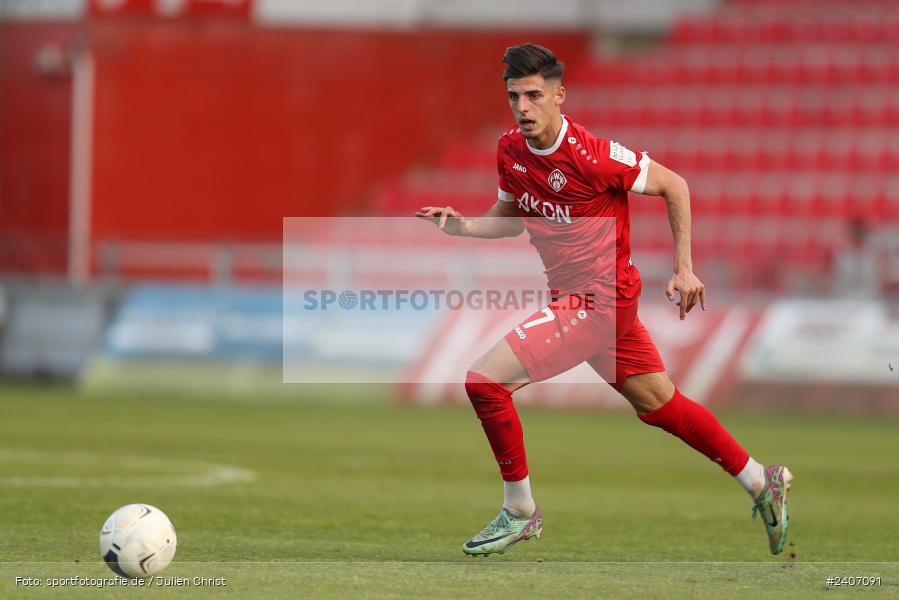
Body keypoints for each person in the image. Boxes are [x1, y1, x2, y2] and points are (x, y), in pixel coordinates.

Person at [416, 43, 793, 557]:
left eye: (533, 95)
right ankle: (759, 480)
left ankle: (520, 510)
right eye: (514, 97)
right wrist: (460, 226)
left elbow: (674, 185)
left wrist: (684, 268)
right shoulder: (509, 149)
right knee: (660, 404)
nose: (523, 107)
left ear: (559, 96)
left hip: (601, 301)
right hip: (582, 303)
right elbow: (507, 218)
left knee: (485, 381)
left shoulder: (592, 155)